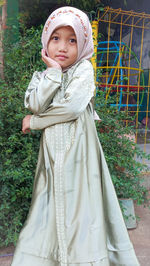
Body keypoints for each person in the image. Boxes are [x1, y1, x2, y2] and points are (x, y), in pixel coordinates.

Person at [11, 6, 139, 266]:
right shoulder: (42, 76)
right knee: (48, 209)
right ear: (46, 41)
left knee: (82, 213)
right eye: (56, 38)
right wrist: (54, 73)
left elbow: (71, 108)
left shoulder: (84, 72)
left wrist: (34, 122)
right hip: (51, 159)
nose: (63, 47)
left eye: (72, 40)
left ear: (82, 44)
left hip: (80, 156)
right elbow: (35, 102)